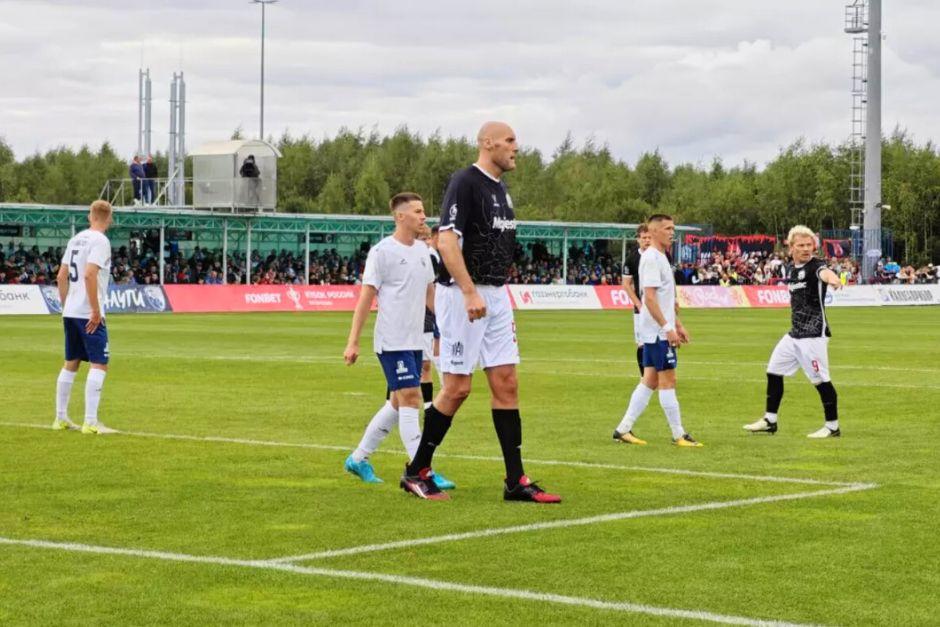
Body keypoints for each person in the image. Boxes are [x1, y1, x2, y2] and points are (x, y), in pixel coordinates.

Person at [402, 121, 562, 503]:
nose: (516, 147)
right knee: (457, 387)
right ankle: (416, 470)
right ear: (487, 143)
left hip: (495, 294)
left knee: (506, 382)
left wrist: (490, 293)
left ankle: (515, 480)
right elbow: (446, 240)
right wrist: (471, 291)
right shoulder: (466, 182)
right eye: (509, 140)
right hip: (462, 294)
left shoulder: (502, 191)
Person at [343, 192, 448, 497]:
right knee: (413, 398)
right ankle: (422, 470)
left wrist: (446, 326)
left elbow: (430, 294)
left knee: (397, 403)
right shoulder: (382, 252)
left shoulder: (423, 252)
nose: (423, 216)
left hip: (415, 340)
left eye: (423, 210)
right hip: (391, 341)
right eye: (417, 211)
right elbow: (366, 298)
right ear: (400, 216)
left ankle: (358, 459)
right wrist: (353, 341)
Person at [744, 226, 844, 438]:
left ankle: (832, 427)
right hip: (794, 334)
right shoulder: (792, 269)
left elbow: (826, 273)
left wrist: (834, 280)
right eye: (801, 245)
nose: (806, 249)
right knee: (773, 370)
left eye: (809, 245)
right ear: (791, 248)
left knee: (821, 380)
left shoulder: (816, 266)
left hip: (813, 335)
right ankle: (770, 420)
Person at [612, 214, 703, 447]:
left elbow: (665, 298)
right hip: (656, 332)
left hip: (656, 331)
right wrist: (667, 328)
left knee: (649, 381)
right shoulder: (652, 258)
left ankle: (623, 429)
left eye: (673, 228)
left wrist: (678, 324)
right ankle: (678, 434)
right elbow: (649, 298)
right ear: (653, 232)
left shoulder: (662, 256)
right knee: (668, 381)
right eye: (667, 228)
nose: (672, 232)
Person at [52, 200, 117, 435]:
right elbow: (90, 274)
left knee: (72, 361)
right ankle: (90, 421)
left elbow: (61, 276)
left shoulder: (76, 239)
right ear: (109, 219)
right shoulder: (101, 241)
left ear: (90, 216)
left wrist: (66, 304)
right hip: (87, 312)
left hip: (70, 310)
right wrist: (95, 310)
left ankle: (60, 418)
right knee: (100, 363)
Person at [612, 223, 651, 445]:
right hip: (641, 309)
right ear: (638, 239)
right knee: (641, 343)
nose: (646, 240)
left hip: (654, 307)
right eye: (643, 237)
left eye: (648, 237)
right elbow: (626, 284)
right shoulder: (631, 259)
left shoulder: (657, 255)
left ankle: (650, 375)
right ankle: (644, 374)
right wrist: (638, 304)